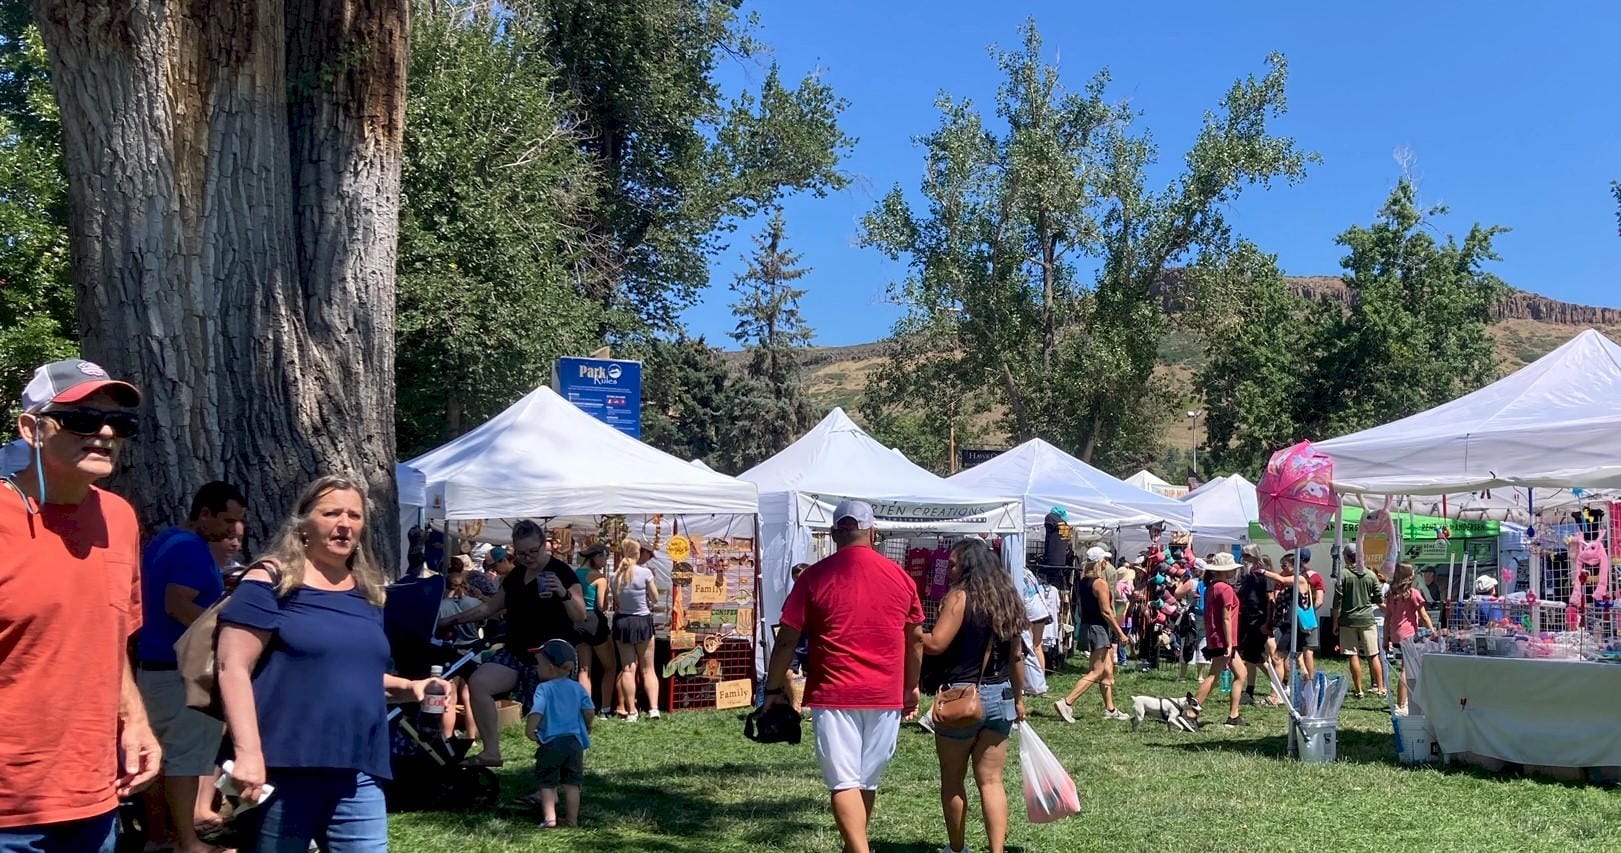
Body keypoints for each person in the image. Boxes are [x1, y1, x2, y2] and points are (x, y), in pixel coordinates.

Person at [216, 476, 449, 852]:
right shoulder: (269, 579)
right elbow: (232, 668)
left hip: (358, 770)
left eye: (354, 515)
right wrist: (248, 753)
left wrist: (410, 687)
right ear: (303, 522)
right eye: (331, 513)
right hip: (283, 768)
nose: (344, 524)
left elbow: (350, 676)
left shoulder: (367, 591)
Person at [0, 360, 158, 851]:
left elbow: (111, 636)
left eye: (119, 423)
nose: (105, 433)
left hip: (95, 798)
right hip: (9, 809)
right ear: (32, 429)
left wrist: (136, 719)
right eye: (82, 420)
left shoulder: (119, 518)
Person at [761, 500, 924, 853]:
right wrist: (911, 685)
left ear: (835, 533)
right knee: (865, 782)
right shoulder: (900, 577)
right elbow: (915, 640)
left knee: (843, 782)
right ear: (873, 532)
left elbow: (787, 639)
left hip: (835, 690)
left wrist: (772, 688)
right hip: (885, 692)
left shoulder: (814, 576)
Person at [138, 481, 247, 853]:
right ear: (204, 514)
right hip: (182, 672)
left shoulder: (166, 540)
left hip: (152, 667)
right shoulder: (192, 549)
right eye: (227, 520)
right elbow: (178, 603)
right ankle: (188, 842)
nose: (233, 529)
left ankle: (158, 837)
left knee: (157, 756)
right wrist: (226, 636)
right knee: (184, 758)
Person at [439, 519, 585, 766]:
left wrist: (564, 593)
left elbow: (580, 615)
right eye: (521, 553)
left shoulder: (561, 572)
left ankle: (558, 773)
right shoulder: (516, 575)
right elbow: (489, 608)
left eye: (533, 551)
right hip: (517, 650)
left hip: (550, 657)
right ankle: (491, 752)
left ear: (544, 545)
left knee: (552, 720)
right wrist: (450, 620)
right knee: (479, 682)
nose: (527, 558)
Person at [922, 540, 1026, 853]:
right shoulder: (1007, 599)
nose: (949, 569)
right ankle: (997, 850)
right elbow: (1017, 656)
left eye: (953, 564)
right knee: (991, 780)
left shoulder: (959, 597)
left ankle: (957, 849)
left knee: (953, 778)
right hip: (1002, 695)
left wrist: (910, 633)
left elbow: (936, 643)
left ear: (967, 565)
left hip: (961, 697)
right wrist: (1019, 698)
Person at [1053, 553, 1131, 723]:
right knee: (1096, 672)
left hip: (1088, 626)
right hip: (1099, 629)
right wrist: (1120, 632)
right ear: (1101, 563)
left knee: (1107, 671)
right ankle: (1067, 702)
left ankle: (1110, 709)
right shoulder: (1100, 583)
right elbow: (1106, 612)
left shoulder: (1083, 582)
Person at [524, 639, 594, 829]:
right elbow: (589, 711)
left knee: (547, 783)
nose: (537, 668)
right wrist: (588, 726)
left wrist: (530, 730)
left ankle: (550, 819)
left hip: (552, 743)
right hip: (574, 743)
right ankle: (572, 820)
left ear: (550, 668)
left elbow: (537, 711)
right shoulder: (578, 687)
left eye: (539, 664)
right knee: (573, 784)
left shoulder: (544, 689)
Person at [1189, 553, 1246, 728]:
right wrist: (1229, 644)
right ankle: (1191, 713)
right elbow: (1226, 618)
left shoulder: (1211, 587)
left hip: (1216, 636)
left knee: (1241, 674)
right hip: (1224, 639)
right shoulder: (1225, 589)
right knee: (1214, 676)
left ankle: (1234, 715)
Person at [609, 539, 661, 721]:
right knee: (648, 669)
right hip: (642, 621)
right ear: (637, 553)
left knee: (627, 669)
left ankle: (631, 711)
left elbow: (617, 600)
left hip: (623, 621)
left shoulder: (614, 576)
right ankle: (654, 709)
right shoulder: (645, 573)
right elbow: (655, 598)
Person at [1334, 546, 1387, 699]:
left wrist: (1335, 623)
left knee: (1353, 655)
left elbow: (1337, 603)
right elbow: (1379, 599)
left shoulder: (1342, 575)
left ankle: (1359, 690)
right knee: (1373, 654)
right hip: (1367, 619)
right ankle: (1381, 688)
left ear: (1346, 556)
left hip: (1348, 620)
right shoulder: (1371, 574)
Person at [1383, 563, 1436, 714]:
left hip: (1395, 635)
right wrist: (1433, 632)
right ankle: (1401, 704)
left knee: (1403, 667)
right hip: (1409, 636)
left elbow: (1387, 618)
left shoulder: (1391, 594)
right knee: (1407, 670)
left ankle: (1404, 701)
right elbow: (1424, 616)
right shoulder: (1413, 594)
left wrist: (1385, 638)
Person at [573, 544, 615, 713]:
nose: (605, 562)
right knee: (610, 666)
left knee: (584, 669)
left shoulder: (575, 574)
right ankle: (605, 707)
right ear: (596, 557)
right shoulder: (599, 578)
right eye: (604, 558)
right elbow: (601, 606)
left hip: (578, 621)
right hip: (594, 621)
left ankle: (586, 708)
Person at [1234, 555, 1274, 707]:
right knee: (1252, 658)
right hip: (1247, 621)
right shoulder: (1247, 578)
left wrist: (1267, 622)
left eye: (1247, 557)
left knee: (1256, 658)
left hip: (1258, 621)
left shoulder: (1265, 577)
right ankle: (1250, 691)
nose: (1244, 560)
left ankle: (1279, 687)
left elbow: (1270, 600)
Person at [1173, 560, 1208, 683]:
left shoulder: (1191, 582)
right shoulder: (1209, 582)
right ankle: (1200, 676)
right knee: (1203, 642)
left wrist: (1181, 581)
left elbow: (1177, 594)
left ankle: (1182, 675)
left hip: (1191, 616)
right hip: (1206, 616)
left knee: (1187, 641)